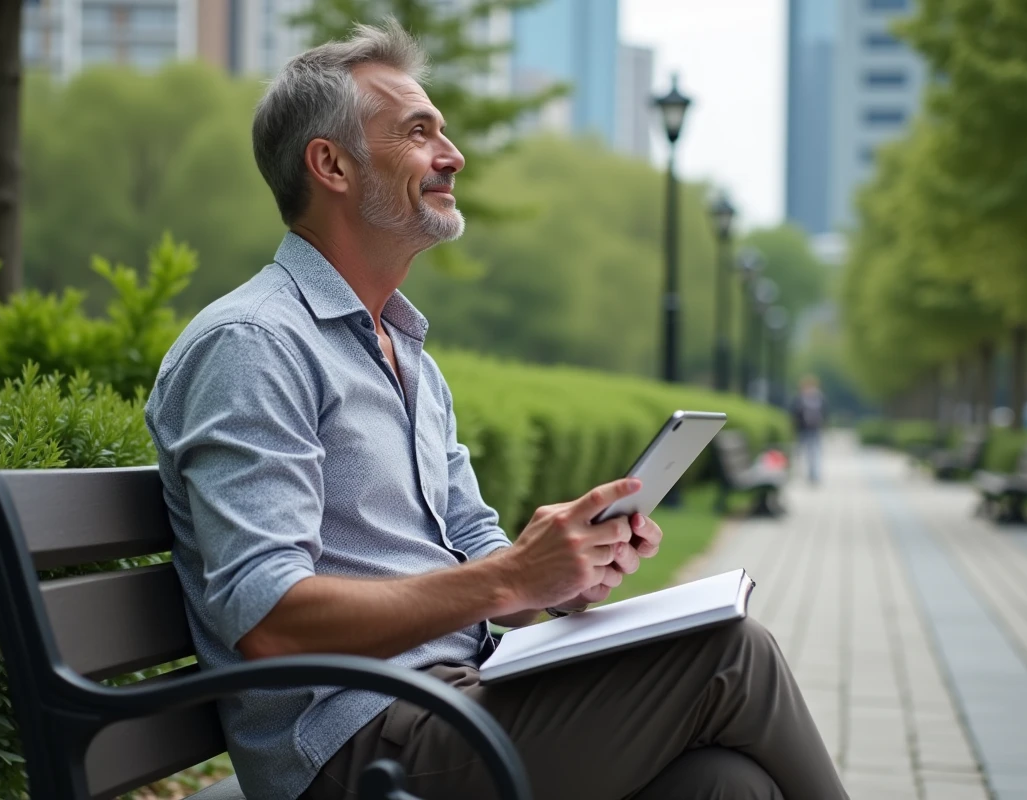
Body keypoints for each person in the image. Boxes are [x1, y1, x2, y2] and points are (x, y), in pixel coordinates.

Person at [144, 20, 848, 800]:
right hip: (353, 747)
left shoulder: (406, 353)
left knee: (725, 785)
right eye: (418, 132)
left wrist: (561, 577)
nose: (452, 155)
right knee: (733, 655)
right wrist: (512, 578)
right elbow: (270, 620)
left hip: (456, 698)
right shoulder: (253, 346)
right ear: (331, 164)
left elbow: (476, 546)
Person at [790, 375, 827, 484]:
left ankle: (811, 474)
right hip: (808, 428)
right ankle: (809, 474)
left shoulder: (802, 398)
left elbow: (794, 413)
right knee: (808, 452)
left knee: (811, 452)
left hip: (809, 428)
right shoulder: (817, 398)